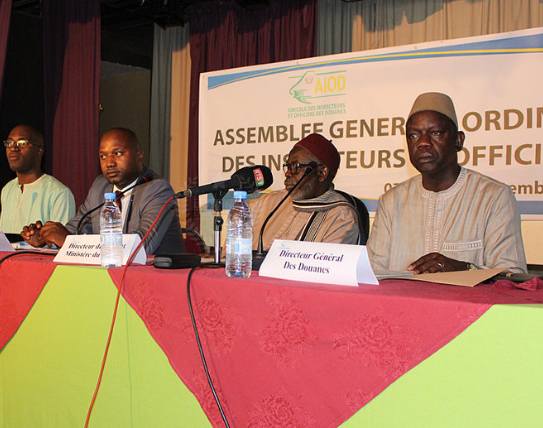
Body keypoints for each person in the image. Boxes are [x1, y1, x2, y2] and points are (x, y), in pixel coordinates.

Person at [367, 92, 527, 274]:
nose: (423, 143)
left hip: (465, 303)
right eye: (413, 135)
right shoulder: (391, 201)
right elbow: (372, 273)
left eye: (435, 133)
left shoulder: (493, 197)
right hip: (402, 303)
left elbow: (513, 274)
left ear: (458, 140)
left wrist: (464, 269)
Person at [22, 127, 185, 255]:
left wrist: (67, 241)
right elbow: (76, 229)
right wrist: (46, 238)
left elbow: (140, 248)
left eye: (118, 153)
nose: (109, 163)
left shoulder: (157, 190)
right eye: (103, 156)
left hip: (156, 284)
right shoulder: (100, 187)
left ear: (139, 156)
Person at [249, 133, 361, 251]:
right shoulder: (263, 204)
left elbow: (326, 267)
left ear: (322, 173)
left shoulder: (340, 217)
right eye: (288, 166)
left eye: (295, 166)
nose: (287, 173)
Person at [0, 124, 75, 234]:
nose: (13, 148)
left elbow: (64, 243)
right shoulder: (7, 190)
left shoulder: (58, 193)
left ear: (39, 150)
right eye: (9, 143)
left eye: (22, 143)